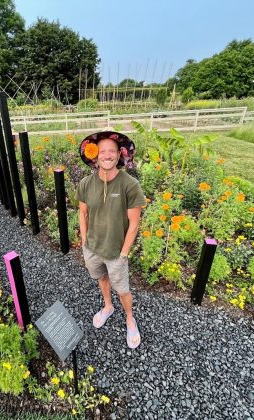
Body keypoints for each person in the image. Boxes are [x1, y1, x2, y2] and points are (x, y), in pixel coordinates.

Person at [75, 131, 146, 349]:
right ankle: (107, 306)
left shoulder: (129, 185)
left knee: (122, 289)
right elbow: (82, 212)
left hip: (116, 252)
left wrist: (124, 253)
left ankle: (129, 318)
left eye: (112, 151)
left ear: (119, 155)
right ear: (95, 156)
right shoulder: (86, 183)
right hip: (93, 249)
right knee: (102, 279)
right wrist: (85, 239)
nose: (107, 155)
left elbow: (134, 224)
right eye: (102, 151)